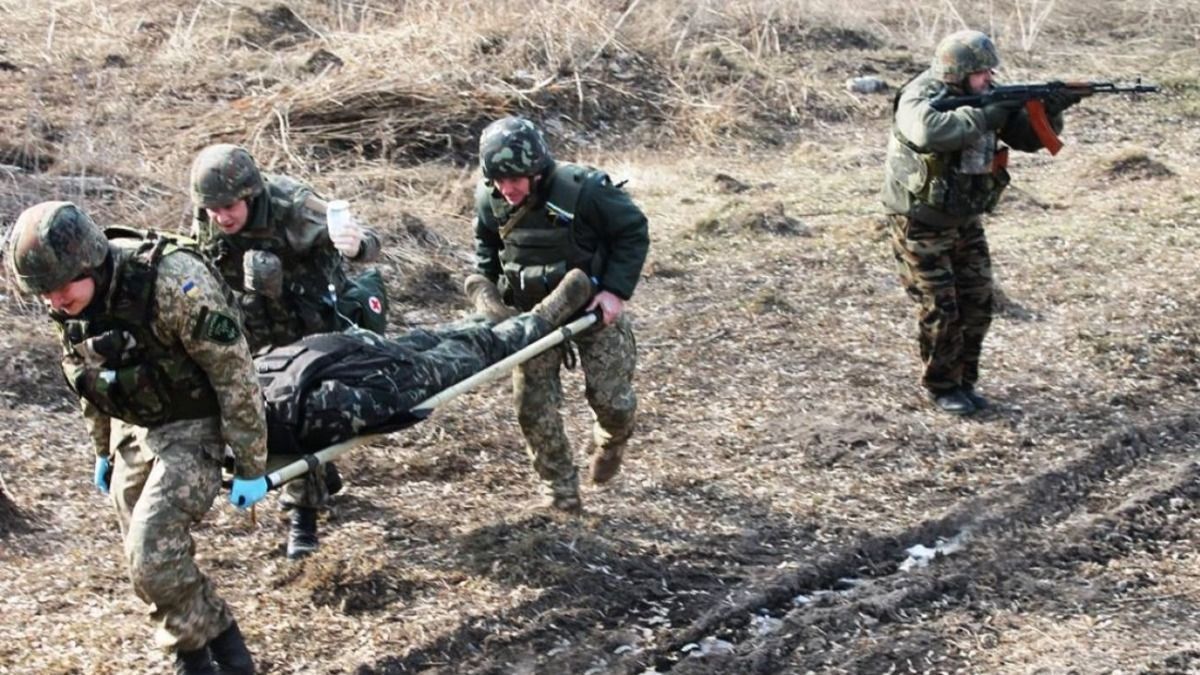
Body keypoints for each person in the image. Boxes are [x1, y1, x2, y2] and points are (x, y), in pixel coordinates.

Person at [7, 202, 271, 675]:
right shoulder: (69, 300)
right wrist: (102, 447)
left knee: (150, 552)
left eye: (61, 287)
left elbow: (233, 369)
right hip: (137, 426)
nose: (55, 301)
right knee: (144, 563)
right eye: (44, 292)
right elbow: (86, 375)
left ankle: (215, 657)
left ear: (89, 263)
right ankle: (204, 657)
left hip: (197, 421)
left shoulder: (172, 281)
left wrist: (251, 461)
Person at [188, 143, 387, 558]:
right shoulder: (208, 215)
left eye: (229, 207)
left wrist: (355, 245)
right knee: (263, 402)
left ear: (250, 195)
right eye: (213, 209)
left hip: (309, 319)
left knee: (294, 405)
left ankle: (303, 514)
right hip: (253, 321)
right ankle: (318, 473)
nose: (221, 217)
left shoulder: (294, 206)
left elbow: (368, 243)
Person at [880, 30, 1079, 415]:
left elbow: (1027, 138)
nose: (990, 77)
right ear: (957, 72)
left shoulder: (986, 93)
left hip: (964, 218)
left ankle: (965, 382)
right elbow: (928, 130)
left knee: (977, 302)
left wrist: (1051, 110)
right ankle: (942, 387)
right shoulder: (920, 95)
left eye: (990, 71)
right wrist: (987, 114)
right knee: (941, 307)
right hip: (919, 222)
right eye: (981, 72)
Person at [471, 116, 650, 512]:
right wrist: (488, 292)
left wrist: (615, 291)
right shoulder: (491, 198)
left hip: (591, 310)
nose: (506, 189)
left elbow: (633, 230)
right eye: (497, 180)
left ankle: (611, 441)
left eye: (514, 179)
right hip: (532, 319)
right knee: (533, 408)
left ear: (536, 169)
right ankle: (560, 490)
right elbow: (487, 245)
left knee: (613, 402)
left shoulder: (585, 191)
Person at [258, 270, 595, 457]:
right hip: (333, 353)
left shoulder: (280, 419)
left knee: (469, 355)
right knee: (432, 339)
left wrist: (407, 400)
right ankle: (491, 318)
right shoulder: (243, 381)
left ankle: (537, 319)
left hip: (362, 377)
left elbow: (368, 402)